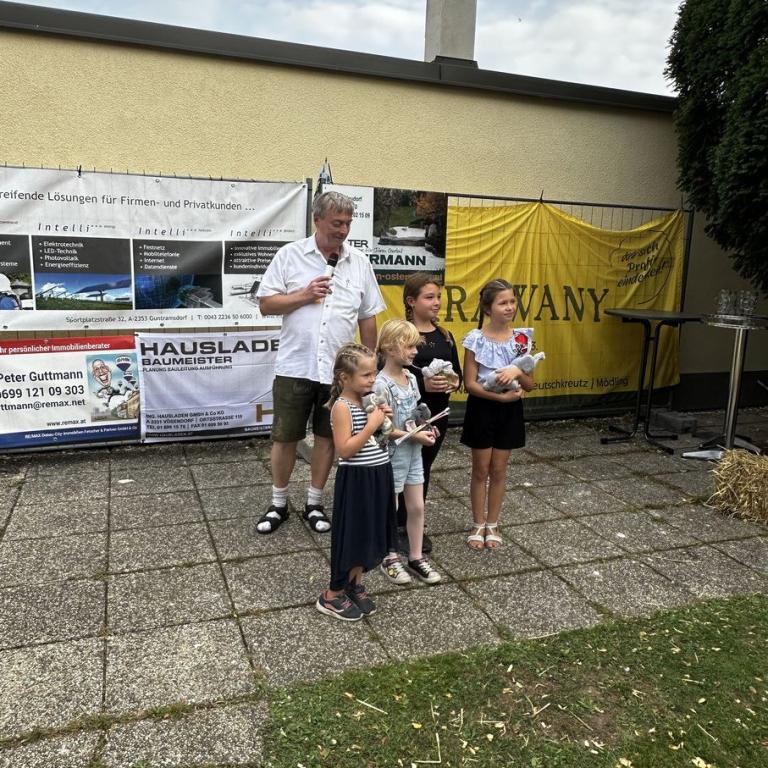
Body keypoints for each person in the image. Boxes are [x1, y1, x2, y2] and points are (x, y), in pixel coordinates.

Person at [255, 191, 385, 535]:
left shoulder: (359, 262)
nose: (343, 230)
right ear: (316, 220)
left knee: (328, 439)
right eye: (336, 223)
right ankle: (278, 504)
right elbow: (266, 305)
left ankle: (314, 503)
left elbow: (368, 317)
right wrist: (304, 295)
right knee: (285, 438)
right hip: (294, 366)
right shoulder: (290, 255)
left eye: (347, 223)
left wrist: (368, 368)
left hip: (339, 374)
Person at [315, 343, 396, 621]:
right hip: (358, 479)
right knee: (352, 536)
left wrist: (386, 424)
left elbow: (379, 439)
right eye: (366, 375)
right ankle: (332, 594)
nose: (372, 380)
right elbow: (345, 450)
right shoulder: (342, 407)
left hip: (379, 473)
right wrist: (372, 424)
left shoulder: (368, 401)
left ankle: (354, 583)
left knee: (369, 533)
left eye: (374, 373)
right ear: (344, 378)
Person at [461, 279, 535, 550]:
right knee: (481, 469)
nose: (510, 307)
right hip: (482, 408)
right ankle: (478, 522)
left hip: (511, 410)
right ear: (487, 308)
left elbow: (530, 384)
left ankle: (493, 523)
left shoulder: (521, 340)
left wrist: (517, 371)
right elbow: (470, 384)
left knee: (499, 469)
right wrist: (498, 397)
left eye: (512, 301)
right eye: (503, 303)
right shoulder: (475, 339)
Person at [396, 273, 462, 554]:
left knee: (423, 469)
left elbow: (457, 374)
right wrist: (422, 384)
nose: (437, 302)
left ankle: (413, 524)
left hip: (438, 416)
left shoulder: (445, 336)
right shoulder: (401, 334)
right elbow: (386, 372)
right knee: (402, 469)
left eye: (438, 297)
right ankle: (396, 525)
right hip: (406, 416)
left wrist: (453, 382)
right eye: (429, 297)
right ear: (411, 301)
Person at [375, 319, 441, 584]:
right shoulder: (381, 384)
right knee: (390, 508)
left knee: (416, 506)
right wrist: (416, 435)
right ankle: (389, 557)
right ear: (390, 348)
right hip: (392, 455)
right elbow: (382, 429)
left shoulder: (412, 378)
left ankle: (416, 557)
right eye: (409, 346)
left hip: (413, 453)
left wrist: (427, 426)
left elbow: (414, 416)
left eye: (415, 346)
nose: (415, 352)